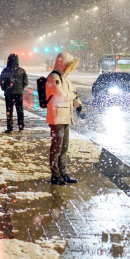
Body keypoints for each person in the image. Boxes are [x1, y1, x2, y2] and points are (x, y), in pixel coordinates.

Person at [45, 52, 84, 185]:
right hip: (56, 119)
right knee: (56, 148)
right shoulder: (53, 78)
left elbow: (74, 94)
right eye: (68, 65)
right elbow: (61, 96)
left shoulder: (65, 79)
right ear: (63, 64)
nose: (70, 68)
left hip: (66, 118)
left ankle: (63, 173)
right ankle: (55, 175)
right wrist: (73, 96)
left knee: (64, 148)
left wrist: (79, 106)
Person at [0, 54, 28, 133]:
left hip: (8, 94)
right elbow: (25, 82)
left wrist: (4, 88)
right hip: (19, 93)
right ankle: (21, 126)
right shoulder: (21, 70)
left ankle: (10, 127)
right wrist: (21, 88)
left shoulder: (5, 70)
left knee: (9, 111)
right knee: (20, 110)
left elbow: (0, 81)